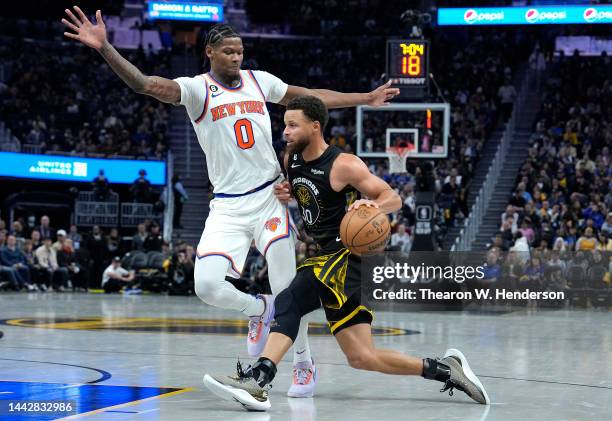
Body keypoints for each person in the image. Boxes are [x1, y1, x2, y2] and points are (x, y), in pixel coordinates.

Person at [62, 8, 397, 396]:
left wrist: (365, 98)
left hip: (271, 196)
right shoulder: (195, 89)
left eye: (240, 51)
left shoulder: (259, 81)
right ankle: (258, 310)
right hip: (226, 205)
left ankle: (303, 362)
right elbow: (144, 84)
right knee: (206, 286)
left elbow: (312, 99)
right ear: (210, 52)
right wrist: (105, 47)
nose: (237, 58)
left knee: (288, 286)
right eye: (229, 52)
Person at [203, 96, 489, 410]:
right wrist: (288, 194)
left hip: (351, 256)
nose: (285, 131)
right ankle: (447, 369)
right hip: (326, 257)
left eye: (293, 125)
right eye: (285, 125)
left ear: (315, 127)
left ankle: (258, 380)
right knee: (362, 357)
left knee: (289, 299)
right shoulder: (291, 159)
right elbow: (308, 196)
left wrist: (372, 205)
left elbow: (391, 196)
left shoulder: (344, 164)